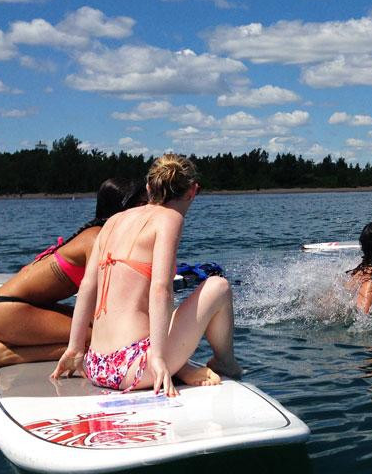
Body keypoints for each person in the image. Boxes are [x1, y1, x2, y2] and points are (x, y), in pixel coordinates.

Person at [53, 154, 240, 397]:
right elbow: (161, 288)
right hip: (135, 367)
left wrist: (75, 348)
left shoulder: (113, 221)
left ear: (149, 187)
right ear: (193, 191)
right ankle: (225, 362)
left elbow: (88, 286)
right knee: (218, 286)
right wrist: (160, 358)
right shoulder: (170, 219)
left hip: (96, 365)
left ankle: (181, 367)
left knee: (164, 314)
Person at [0, 177, 146, 380]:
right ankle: (8, 355)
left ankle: (13, 350)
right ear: (121, 208)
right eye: (142, 204)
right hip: (6, 311)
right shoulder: (97, 239)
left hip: (13, 308)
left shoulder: (99, 234)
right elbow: (103, 304)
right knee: (98, 338)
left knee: (99, 333)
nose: (149, 210)